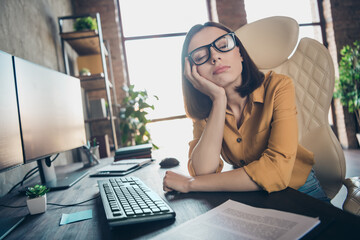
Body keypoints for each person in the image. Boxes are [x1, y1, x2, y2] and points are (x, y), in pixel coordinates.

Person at [162, 22, 330, 202]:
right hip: (251, 196)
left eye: (223, 46)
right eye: (201, 56)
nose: (215, 57)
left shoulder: (279, 86)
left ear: (240, 53)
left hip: (300, 191)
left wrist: (190, 184)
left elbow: (277, 173)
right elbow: (203, 171)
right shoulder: (205, 111)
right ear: (192, 73)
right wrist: (219, 100)